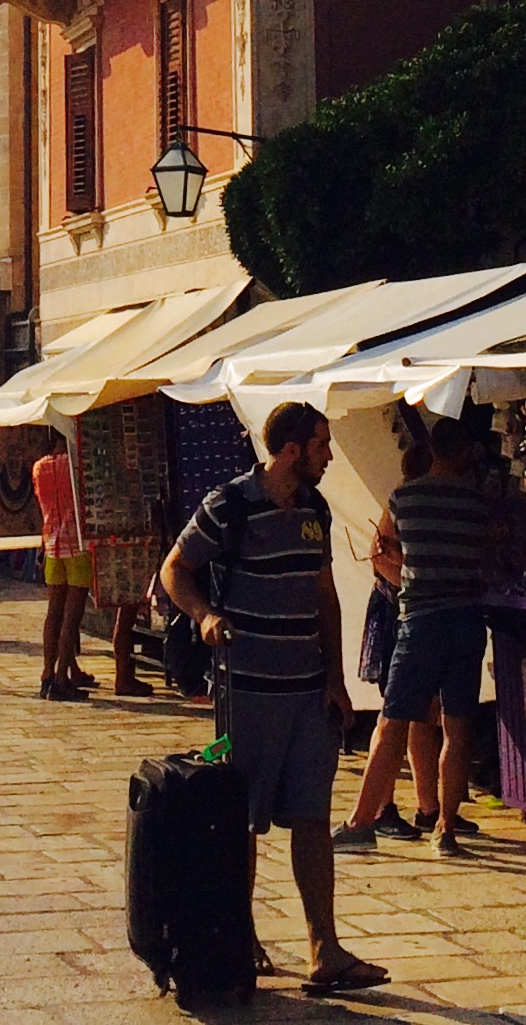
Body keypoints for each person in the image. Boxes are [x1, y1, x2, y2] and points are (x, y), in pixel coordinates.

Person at [159, 401, 385, 1000]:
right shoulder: (229, 505)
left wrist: (336, 680)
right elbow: (174, 570)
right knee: (240, 821)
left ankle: (324, 951)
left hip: (308, 693)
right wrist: (204, 615)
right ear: (290, 450)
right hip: (246, 693)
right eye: (321, 444)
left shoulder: (314, 508)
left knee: (311, 816)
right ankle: (240, 936)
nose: (329, 455)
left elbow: (325, 596)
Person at [335, 415, 492, 856]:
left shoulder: (405, 497)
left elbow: (387, 554)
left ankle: (361, 821)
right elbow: (486, 556)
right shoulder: (478, 504)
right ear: (464, 453)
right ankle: (444, 827)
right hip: (467, 621)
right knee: (457, 727)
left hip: (420, 620)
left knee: (392, 721)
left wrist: (410, 569)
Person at [32, 439, 93, 702]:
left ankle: (47, 673)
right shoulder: (76, 465)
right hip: (77, 544)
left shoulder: (39, 467)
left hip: (52, 544)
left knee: (53, 613)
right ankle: (60, 680)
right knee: (72, 615)